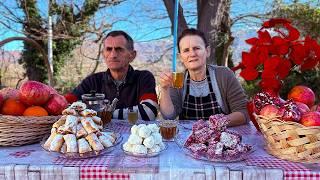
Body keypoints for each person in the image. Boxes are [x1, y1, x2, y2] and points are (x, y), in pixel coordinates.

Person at [159, 28, 248, 126]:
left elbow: (243, 112)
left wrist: (214, 123)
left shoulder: (224, 75)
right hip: (189, 138)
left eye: (197, 48)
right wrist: (164, 89)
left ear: (207, 51)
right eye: (186, 50)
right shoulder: (177, 80)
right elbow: (168, 116)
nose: (192, 54)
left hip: (222, 137)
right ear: (181, 57)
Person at [72, 30, 158, 121]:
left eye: (119, 49)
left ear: (132, 55)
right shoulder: (92, 81)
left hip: (136, 134)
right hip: (98, 134)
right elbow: (65, 105)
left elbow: (149, 112)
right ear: (103, 54)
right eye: (108, 49)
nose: (113, 55)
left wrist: (103, 114)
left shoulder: (143, 78)